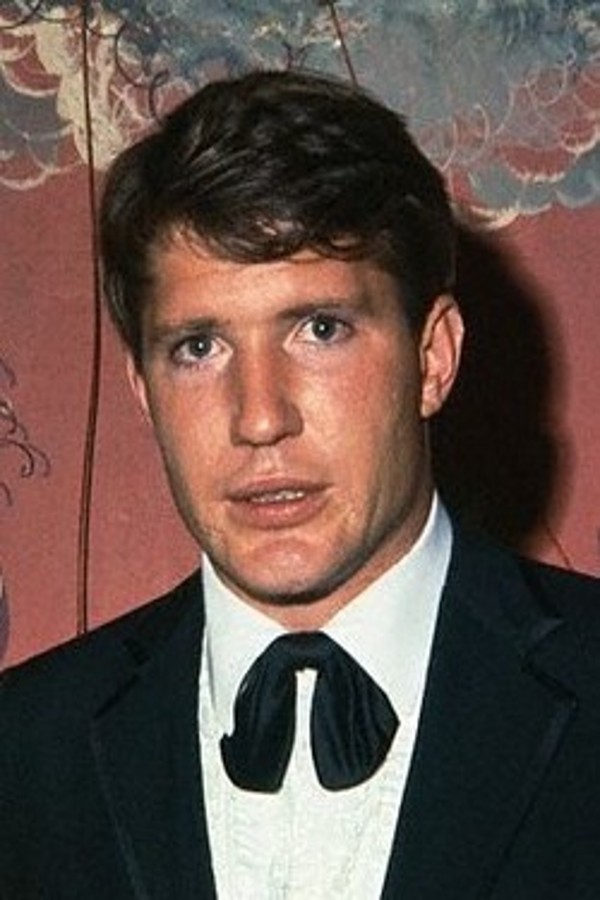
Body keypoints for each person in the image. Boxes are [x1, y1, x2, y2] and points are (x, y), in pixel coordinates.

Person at [1, 69, 599, 900]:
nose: (259, 418)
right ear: (143, 390)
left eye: (321, 329)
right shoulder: (25, 750)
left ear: (432, 358)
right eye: (199, 348)